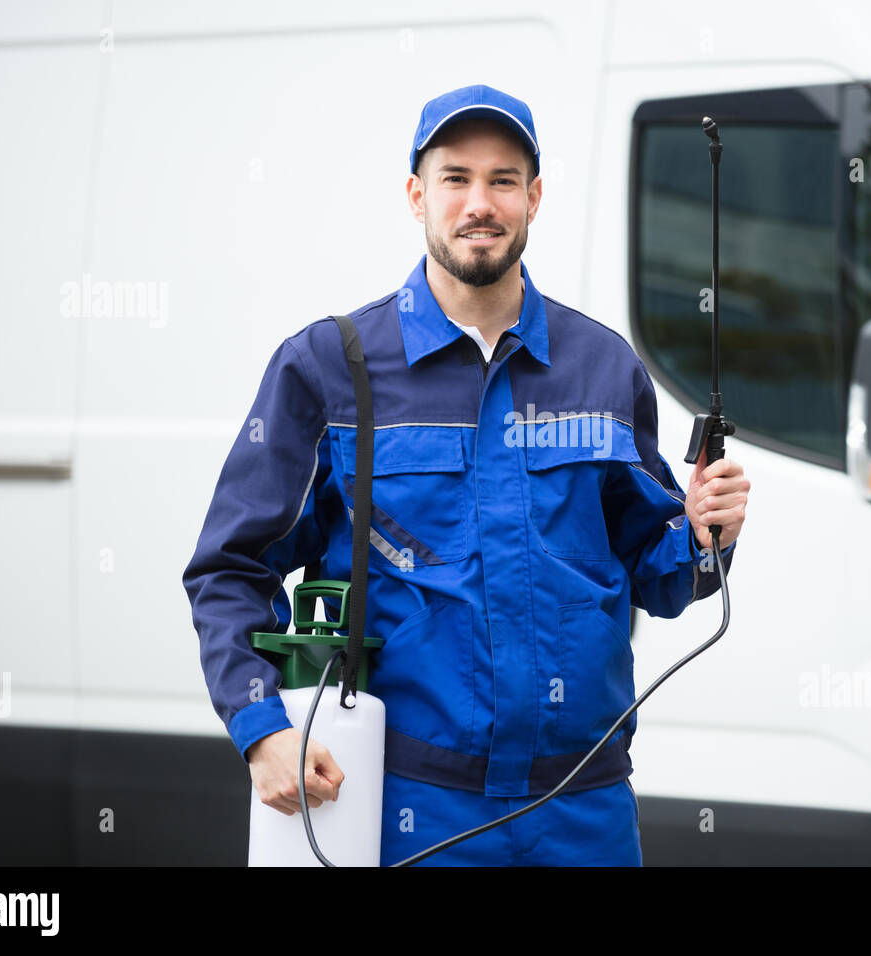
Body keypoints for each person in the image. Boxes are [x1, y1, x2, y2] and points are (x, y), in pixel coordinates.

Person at [183, 84, 748, 866]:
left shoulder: (604, 369)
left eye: (503, 180)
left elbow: (660, 575)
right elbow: (230, 567)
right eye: (456, 178)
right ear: (417, 194)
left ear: (534, 197)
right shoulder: (329, 370)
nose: (479, 202)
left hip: (585, 811)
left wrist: (703, 535)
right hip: (414, 810)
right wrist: (261, 730)